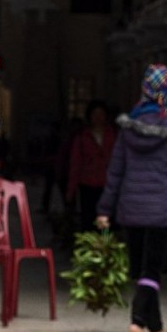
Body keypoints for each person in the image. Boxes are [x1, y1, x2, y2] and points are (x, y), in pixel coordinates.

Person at [96, 64, 167, 332]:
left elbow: (115, 172)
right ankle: (137, 322)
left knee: (143, 269)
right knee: (153, 268)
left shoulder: (128, 129)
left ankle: (156, 327)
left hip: (132, 209)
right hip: (165, 209)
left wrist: (104, 209)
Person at [67, 99, 116, 232]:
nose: (98, 118)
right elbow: (75, 164)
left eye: (101, 114)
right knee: (88, 221)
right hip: (88, 185)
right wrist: (71, 190)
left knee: (106, 222)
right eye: (95, 114)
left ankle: (105, 249)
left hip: (108, 185)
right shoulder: (82, 137)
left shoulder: (113, 135)